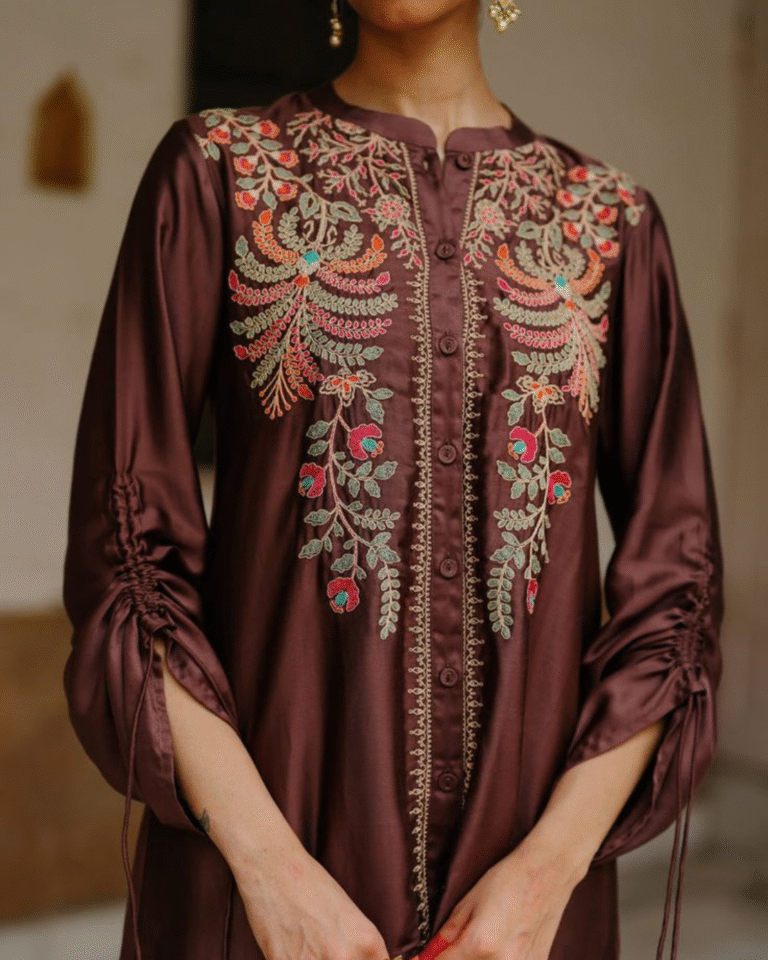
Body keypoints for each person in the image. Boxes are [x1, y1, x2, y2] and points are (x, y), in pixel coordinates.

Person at [61, 2, 724, 960]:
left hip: (528, 922)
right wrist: (270, 873)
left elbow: (679, 591)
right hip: (265, 908)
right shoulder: (220, 174)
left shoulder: (611, 224)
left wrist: (547, 877)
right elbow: (129, 562)